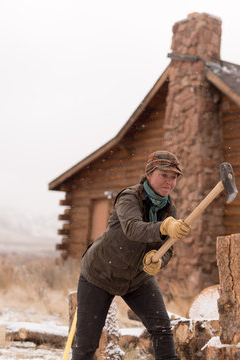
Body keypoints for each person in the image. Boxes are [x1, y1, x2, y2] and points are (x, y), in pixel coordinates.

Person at [72, 150, 190, 360]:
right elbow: (133, 229)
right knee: (86, 343)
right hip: (100, 273)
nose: (169, 182)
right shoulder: (129, 197)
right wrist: (164, 226)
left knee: (162, 329)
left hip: (137, 278)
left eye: (173, 177)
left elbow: (169, 248)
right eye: (164, 175)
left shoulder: (169, 209)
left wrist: (159, 262)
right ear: (149, 175)